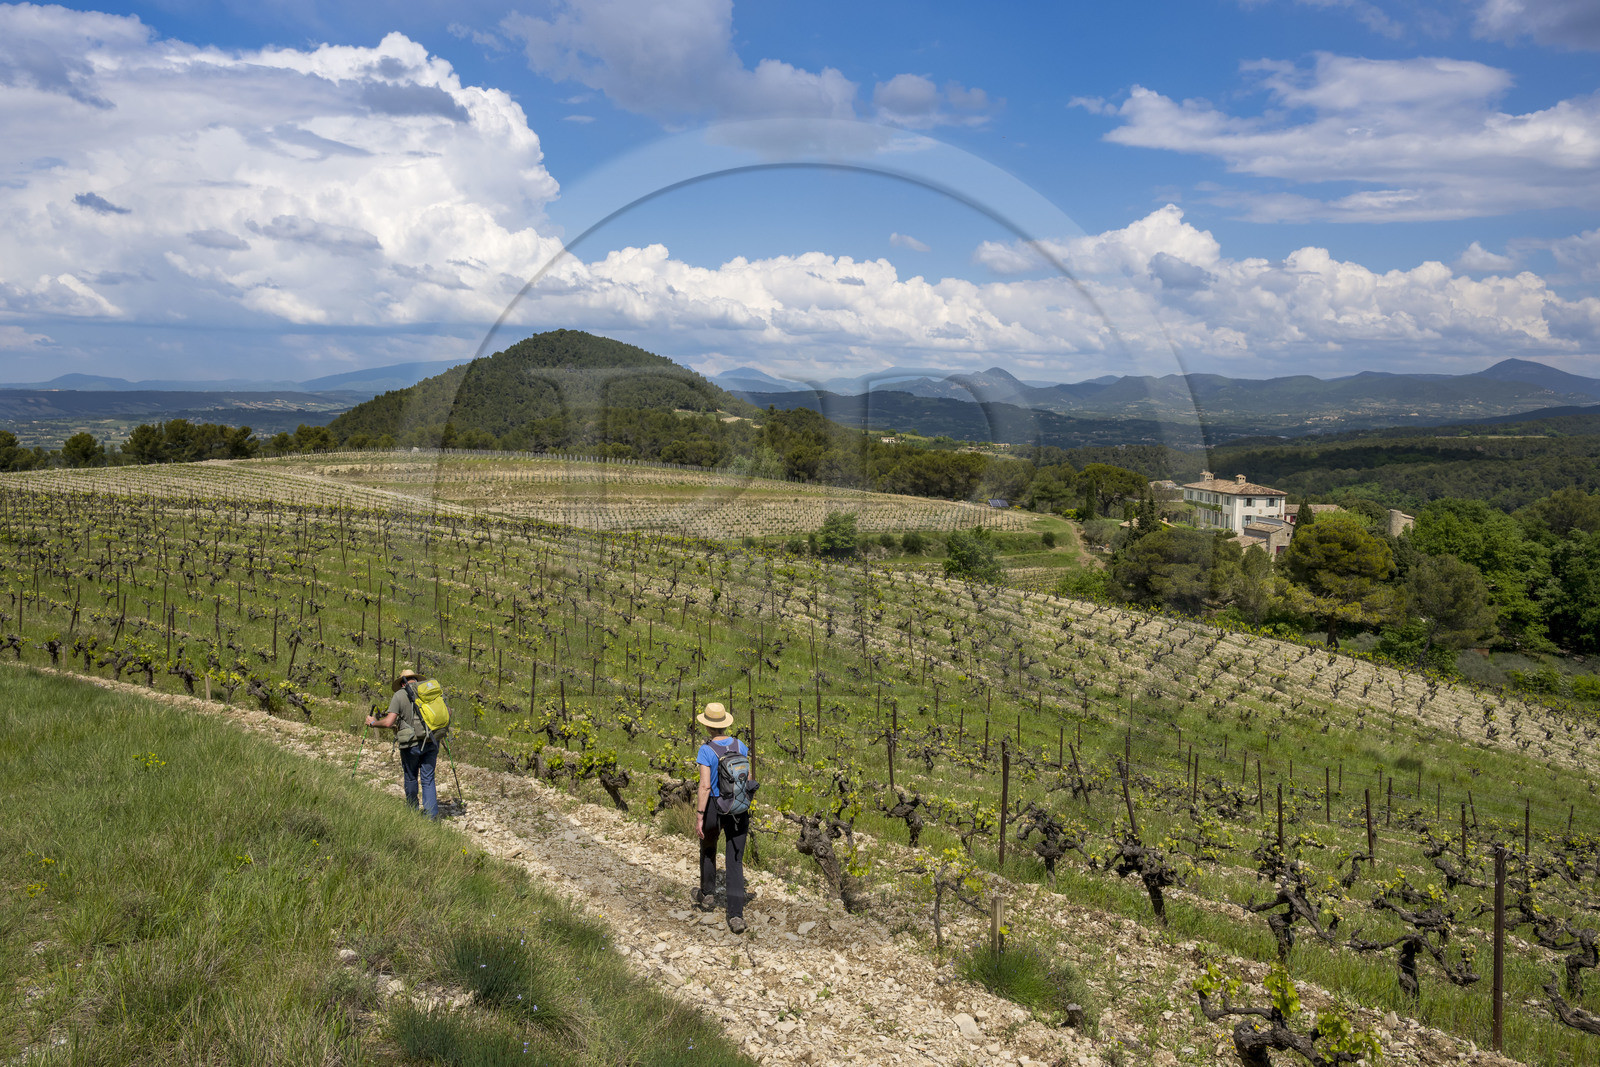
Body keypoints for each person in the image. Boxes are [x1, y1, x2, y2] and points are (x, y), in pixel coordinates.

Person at [695, 701, 755, 934]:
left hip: (714, 806)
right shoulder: (740, 745)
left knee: (708, 847)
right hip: (738, 808)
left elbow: (704, 786)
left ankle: (707, 894)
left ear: (708, 726)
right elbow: (747, 778)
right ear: (725, 723)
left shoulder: (706, 750)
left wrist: (700, 816)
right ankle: (736, 915)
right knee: (735, 859)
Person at [367, 668, 439, 819]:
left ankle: (412, 813)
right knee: (428, 779)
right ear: (416, 679)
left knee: (411, 777)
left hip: (411, 743)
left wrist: (373, 723)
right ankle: (431, 818)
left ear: (401, 683)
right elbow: (448, 712)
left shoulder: (400, 695)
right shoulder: (429, 692)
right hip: (431, 740)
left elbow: (388, 722)